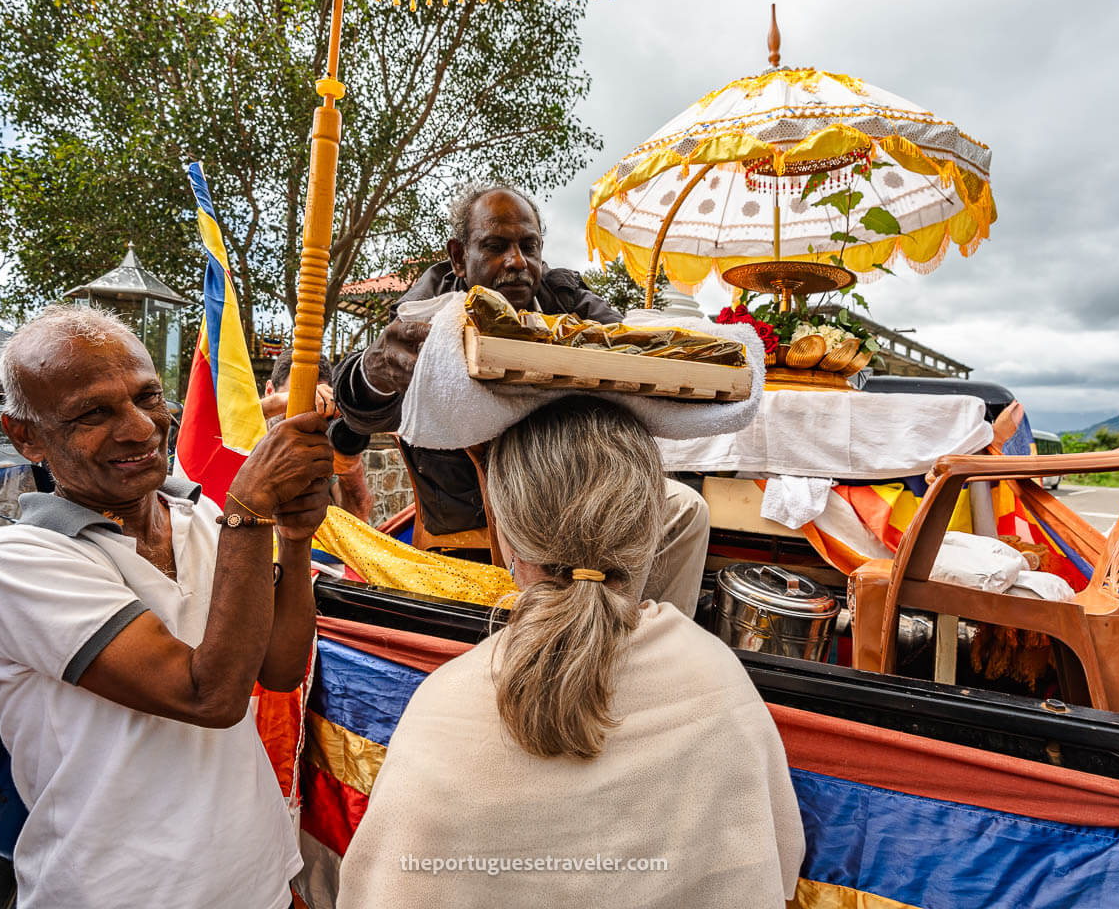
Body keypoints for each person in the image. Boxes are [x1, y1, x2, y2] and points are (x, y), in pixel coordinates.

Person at [336, 398, 804, 907]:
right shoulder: (719, 680)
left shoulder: (445, 704)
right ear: (651, 530)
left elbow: (376, 891)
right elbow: (777, 867)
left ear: (508, 540)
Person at [0, 306, 333, 909]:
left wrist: (292, 536)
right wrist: (248, 514)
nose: (139, 428)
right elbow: (206, 696)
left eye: (147, 396)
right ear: (25, 436)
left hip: (259, 877)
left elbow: (281, 670)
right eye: (93, 413)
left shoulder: (203, 519)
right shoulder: (10, 560)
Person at [333, 181, 710, 615]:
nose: (516, 262)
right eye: (495, 246)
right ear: (459, 256)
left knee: (687, 511)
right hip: (489, 506)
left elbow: (627, 345)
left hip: (581, 481)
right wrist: (375, 371)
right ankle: (579, 647)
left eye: (529, 246)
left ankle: (643, 650)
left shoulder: (561, 298)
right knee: (583, 531)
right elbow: (359, 409)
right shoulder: (428, 314)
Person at [262, 347, 374, 522]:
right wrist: (283, 403)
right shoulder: (243, 436)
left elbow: (358, 517)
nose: (305, 418)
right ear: (270, 391)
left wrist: (350, 469)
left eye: (314, 404)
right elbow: (218, 419)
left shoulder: (320, 443)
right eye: (297, 402)